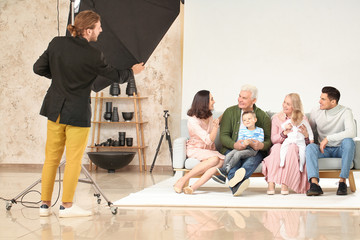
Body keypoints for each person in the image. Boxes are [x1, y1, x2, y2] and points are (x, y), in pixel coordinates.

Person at [33, 10, 145, 217]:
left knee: (51, 159)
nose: (101, 30)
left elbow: (37, 68)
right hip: (76, 113)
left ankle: (44, 205)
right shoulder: (94, 54)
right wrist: (132, 71)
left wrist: (59, 78)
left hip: (54, 110)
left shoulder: (56, 43)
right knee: (74, 160)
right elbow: (115, 76)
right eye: (98, 27)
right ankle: (66, 206)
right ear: (87, 30)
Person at [213, 84, 271, 196]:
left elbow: (268, 141)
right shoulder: (230, 112)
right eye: (239, 96)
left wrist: (261, 146)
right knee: (234, 160)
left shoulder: (262, 116)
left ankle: (234, 185)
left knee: (251, 161)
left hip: (254, 151)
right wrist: (235, 145)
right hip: (233, 148)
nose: (240, 99)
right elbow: (224, 136)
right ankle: (236, 187)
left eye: (244, 98)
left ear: (253, 100)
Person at [305, 86, 356, 196]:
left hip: (340, 148)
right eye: (320, 98)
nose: (319, 101)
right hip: (324, 149)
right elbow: (311, 131)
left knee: (349, 142)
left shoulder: (345, 112)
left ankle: (342, 182)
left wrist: (328, 138)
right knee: (310, 147)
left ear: (333, 101)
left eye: (323, 99)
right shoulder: (316, 111)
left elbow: (352, 132)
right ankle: (314, 185)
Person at [173, 90, 225, 194]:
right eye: (211, 99)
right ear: (204, 102)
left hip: (207, 150)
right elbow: (209, 140)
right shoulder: (192, 120)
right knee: (215, 159)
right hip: (195, 149)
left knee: (222, 161)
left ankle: (193, 187)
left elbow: (209, 142)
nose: (214, 101)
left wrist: (222, 117)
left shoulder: (209, 116)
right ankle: (182, 180)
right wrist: (216, 126)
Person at [262, 93, 311, 195]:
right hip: (281, 144)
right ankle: (271, 183)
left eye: (288, 104)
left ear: (295, 106)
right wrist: (284, 133)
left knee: (292, 148)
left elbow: (308, 142)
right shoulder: (276, 118)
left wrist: (306, 136)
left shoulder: (302, 118)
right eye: (284, 102)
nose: (284, 105)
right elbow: (274, 139)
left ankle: (286, 182)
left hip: (295, 145)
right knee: (276, 148)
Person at [216, 111, 264, 181]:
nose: (247, 121)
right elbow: (240, 140)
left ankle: (227, 169)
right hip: (243, 147)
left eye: (249, 119)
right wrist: (243, 143)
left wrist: (251, 142)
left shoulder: (259, 130)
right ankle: (223, 174)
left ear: (255, 120)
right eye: (244, 120)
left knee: (238, 154)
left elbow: (260, 141)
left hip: (252, 150)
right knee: (229, 154)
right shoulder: (242, 130)